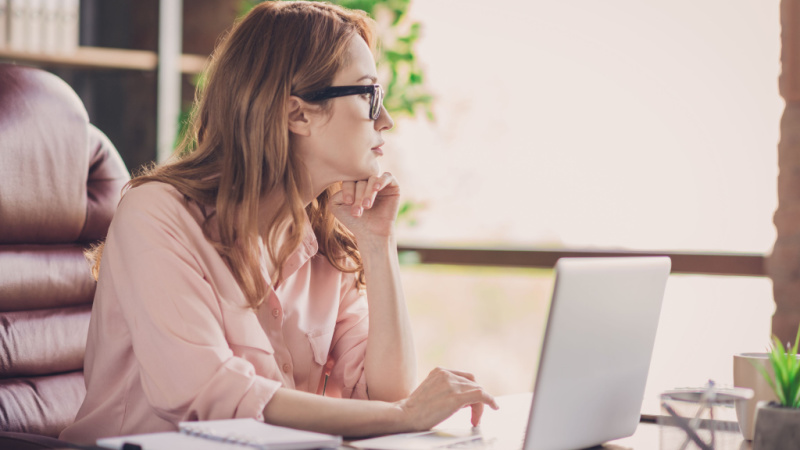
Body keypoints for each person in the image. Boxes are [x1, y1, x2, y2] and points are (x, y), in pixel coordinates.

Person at [60, 1, 497, 444]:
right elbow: (204, 393)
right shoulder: (157, 214)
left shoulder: (326, 239)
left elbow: (385, 392)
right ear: (298, 114)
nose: (385, 119)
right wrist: (403, 415)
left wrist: (378, 242)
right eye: (369, 96)